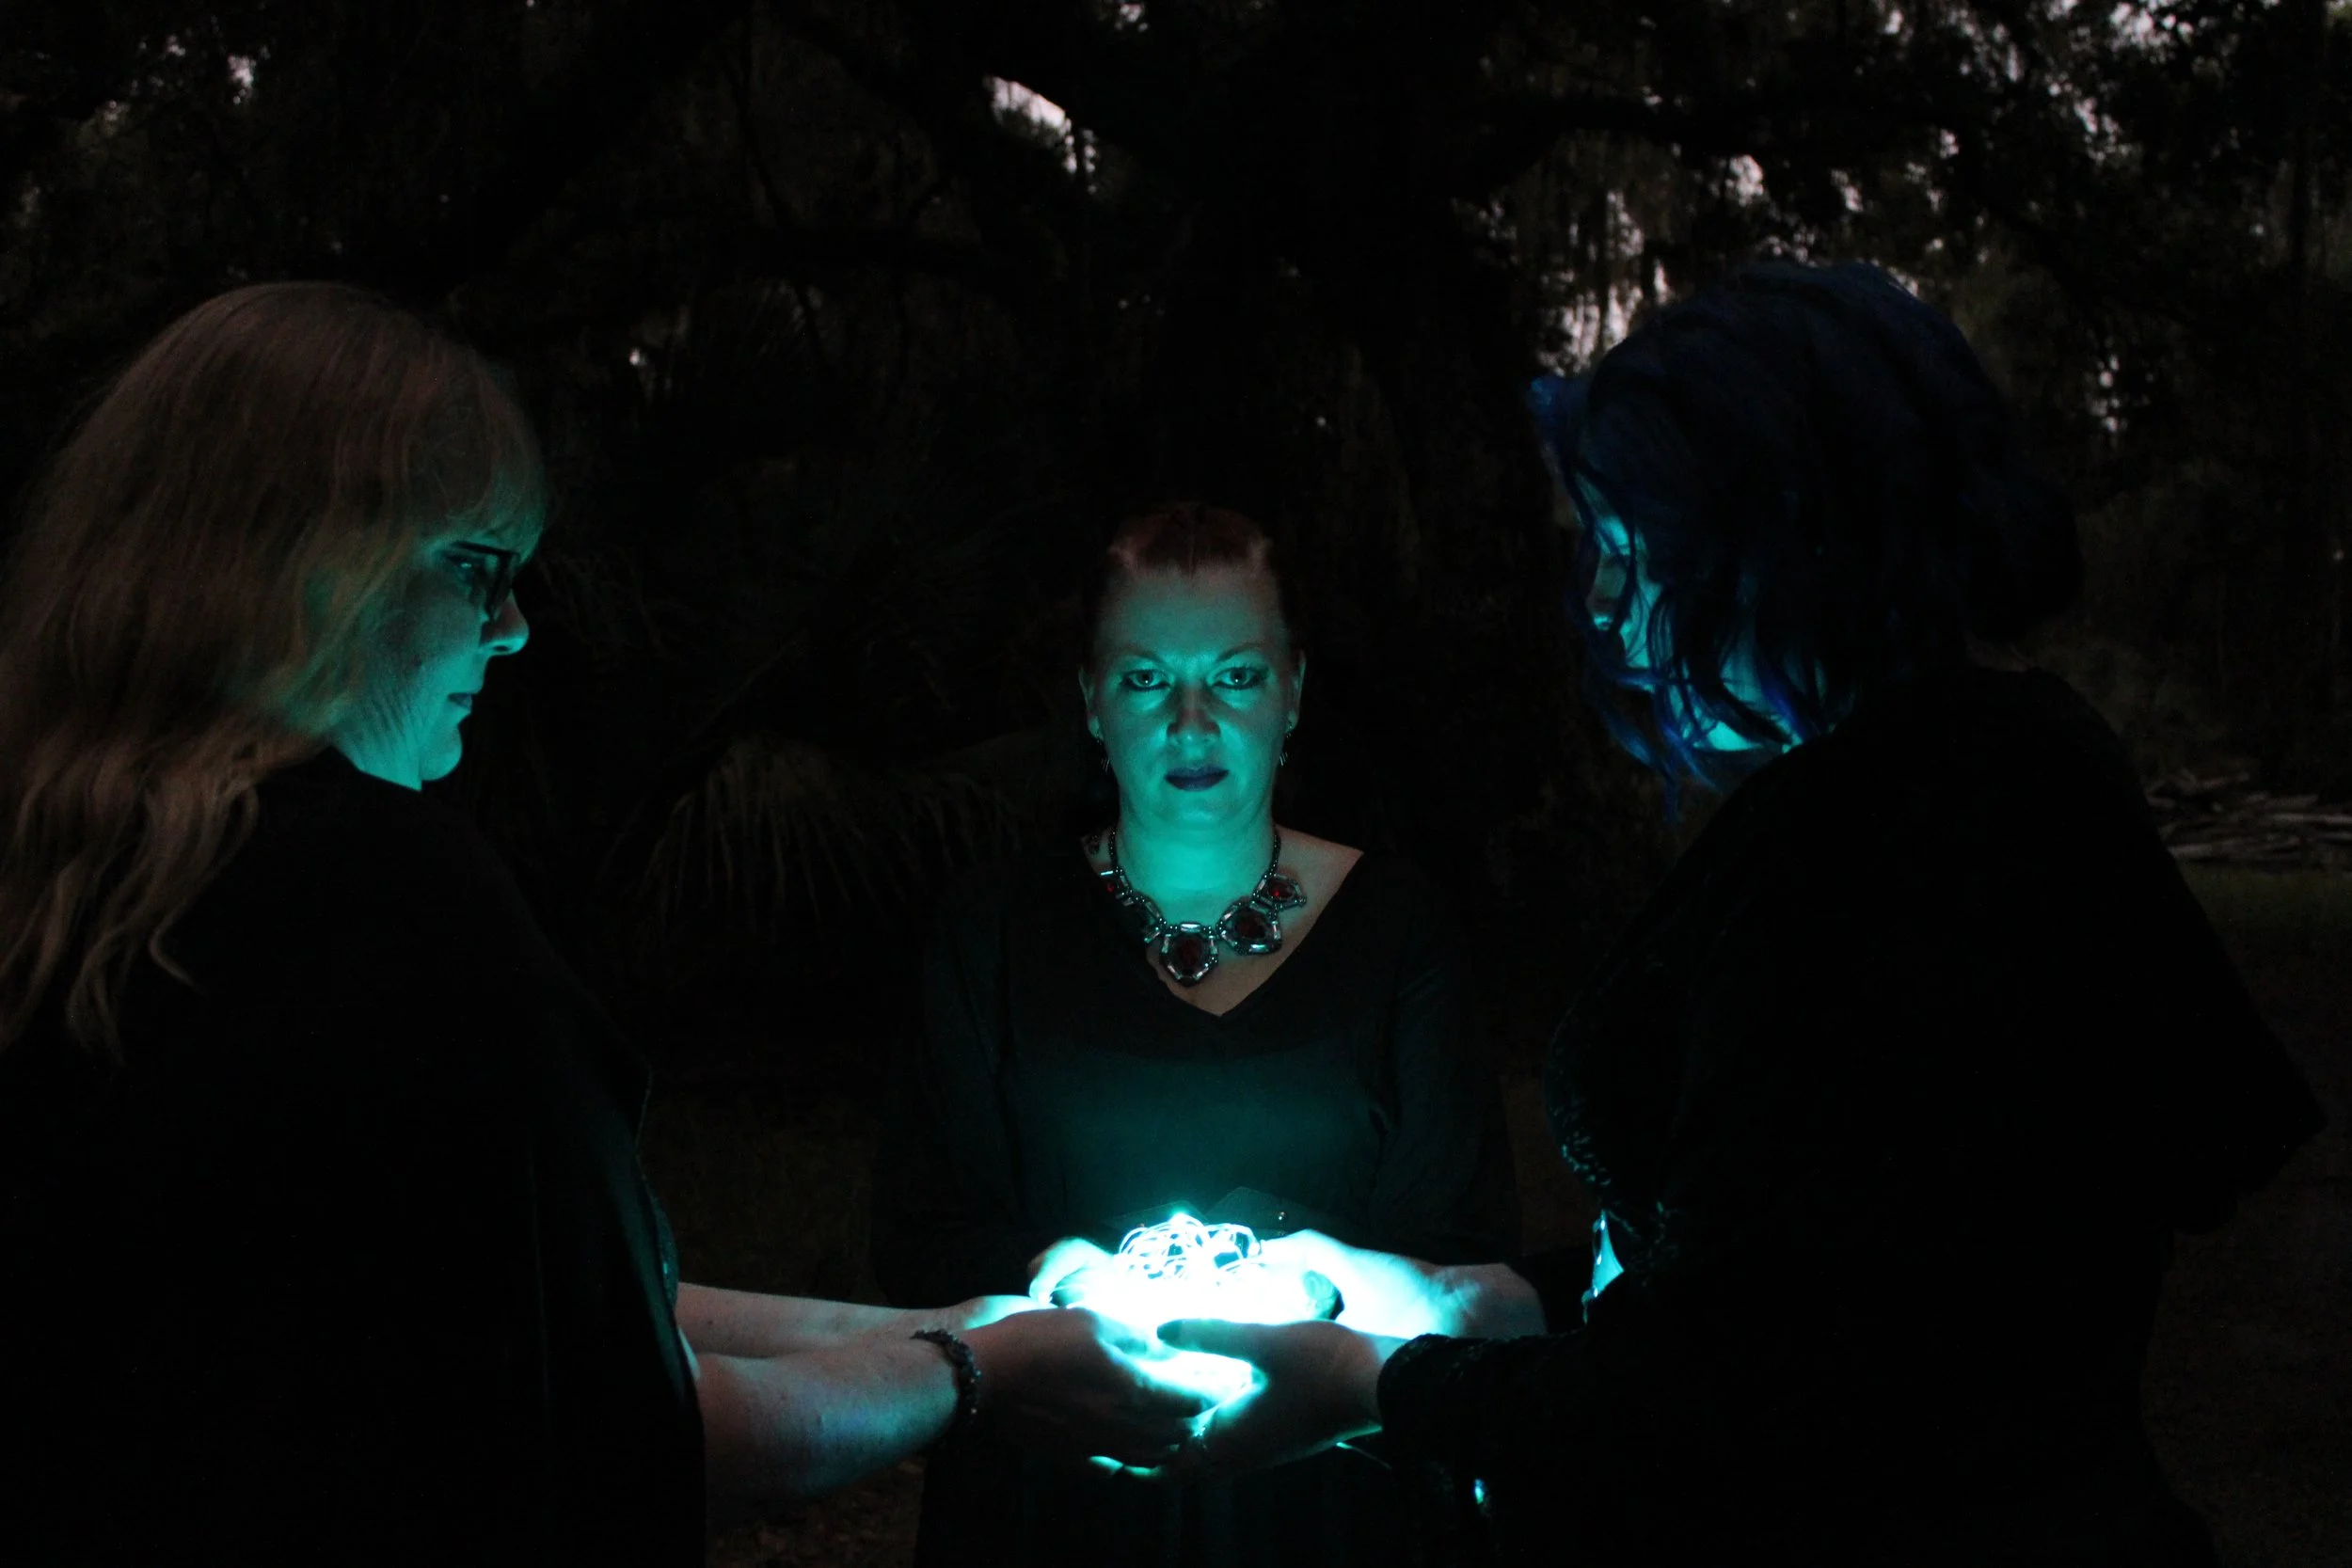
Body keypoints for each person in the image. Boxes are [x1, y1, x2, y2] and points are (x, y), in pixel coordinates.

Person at [0, 282, 1206, 1564]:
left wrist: (957, 1318)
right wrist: (976, 1367)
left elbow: (535, 1300)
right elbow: (643, 1422)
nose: (513, 629)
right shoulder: (383, 904)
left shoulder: (79, 887)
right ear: (307, 565)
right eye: (481, 569)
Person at [1145, 263, 2326, 1564]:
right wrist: (1481, 1293)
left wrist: (1377, 1387)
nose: (1603, 604)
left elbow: (1751, 1396)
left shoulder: (1918, 835)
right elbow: (1810, 1227)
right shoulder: (1977, 776)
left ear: (1788, 536)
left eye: (1636, 552)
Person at [871, 502, 1518, 1566]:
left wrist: (1299, 1279)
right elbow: (922, 1227)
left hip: (1334, 1497)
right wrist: (1069, 1276)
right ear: (1091, 696)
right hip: (1056, 1488)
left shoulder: (1399, 928)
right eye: (1144, 678)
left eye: (1233, 674)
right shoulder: (991, 931)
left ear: (1293, 689)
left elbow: (1461, 1244)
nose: (1189, 721)